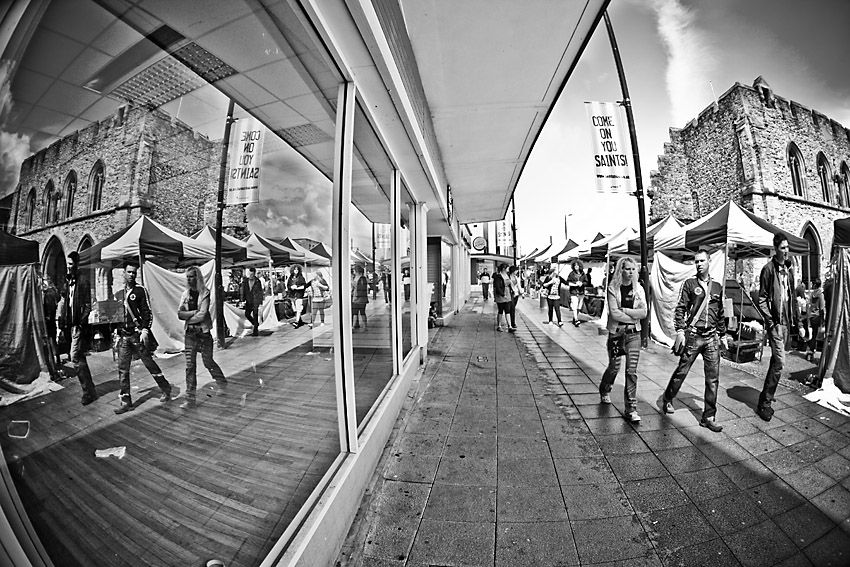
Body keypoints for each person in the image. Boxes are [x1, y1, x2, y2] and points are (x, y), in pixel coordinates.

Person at [661, 248, 727, 432]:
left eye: (702, 261)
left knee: (713, 378)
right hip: (694, 335)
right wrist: (680, 331)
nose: (698, 264)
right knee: (682, 371)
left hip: (711, 336)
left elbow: (720, 313)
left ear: (709, 262)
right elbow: (680, 308)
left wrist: (723, 334)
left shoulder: (717, 287)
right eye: (696, 261)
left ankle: (709, 417)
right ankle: (668, 397)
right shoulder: (689, 284)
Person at [114, 263, 172, 414]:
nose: (131, 275)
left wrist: (145, 329)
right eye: (129, 272)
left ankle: (165, 388)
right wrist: (116, 331)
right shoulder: (119, 294)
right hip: (124, 335)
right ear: (123, 273)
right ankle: (126, 401)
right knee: (123, 369)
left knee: (149, 363)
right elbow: (117, 314)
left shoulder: (140, 291)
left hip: (137, 334)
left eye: (134, 272)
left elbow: (147, 312)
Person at [756, 233, 799, 422]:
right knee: (780, 362)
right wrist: (770, 321)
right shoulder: (768, 269)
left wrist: (798, 322)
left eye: (787, 247)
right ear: (775, 249)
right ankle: (765, 403)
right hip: (775, 323)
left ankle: (765, 398)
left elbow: (792, 297)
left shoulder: (788, 270)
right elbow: (762, 299)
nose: (786, 251)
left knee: (775, 362)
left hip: (786, 323)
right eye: (783, 248)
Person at [599, 257, 647, 423]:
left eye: (633, 269)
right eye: (627, 269)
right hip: (617, 334)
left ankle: (631, 408)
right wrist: (634, 316)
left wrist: (626, 311)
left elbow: (644, 312)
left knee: (631, 371)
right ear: (621, 270)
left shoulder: (639, 288)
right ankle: (605, 388)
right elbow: (614, 314)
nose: (631, 272)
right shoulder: (613, 288)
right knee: (614, 367)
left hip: (634, 334)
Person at [177, 266, 227, 409]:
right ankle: (190, 399)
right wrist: (193, 313)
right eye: (187, 277)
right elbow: (179, 314)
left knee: (207, 361)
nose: (189, 279)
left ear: (197, 277)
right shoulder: (185, 294)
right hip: (190, 334)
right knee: (190, 366)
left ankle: (222, 382)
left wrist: (188, 317)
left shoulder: (205, 292)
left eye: (192, 276)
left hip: (203, 333)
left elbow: (202, 314)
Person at [59, 252, 98, 405]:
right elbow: (65, 302)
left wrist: (81, 323)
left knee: (75, 357)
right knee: (80, 358)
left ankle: (88, 392)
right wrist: (62, 320)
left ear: (76, 264)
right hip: (69, 325)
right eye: (67, 264)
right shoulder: (68, 281)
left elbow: (88, 305)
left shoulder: (83, 281)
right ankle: (90, 391)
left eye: (71, 264)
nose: (68, 267)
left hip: (78, 326)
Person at [42, 275, 61, 366]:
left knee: (50, 341)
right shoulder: (53, 292)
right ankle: (56, 359)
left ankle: (53, 361)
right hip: (51, 320)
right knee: (52, 340)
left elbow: (50, 307)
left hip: (49, 320)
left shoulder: (49, 293)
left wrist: (47, 316)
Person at [805, 278, 825, 362]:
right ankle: (811, 350)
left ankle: (811, 349)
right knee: (815, 335)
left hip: (812, 315)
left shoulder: (812, 293)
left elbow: (809, 304)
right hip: (817, 316)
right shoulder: (821, 295)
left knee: (813, 333)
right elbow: (822, 307)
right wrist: (823, 319)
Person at [241, 267, 264, 336]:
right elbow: (243, 291)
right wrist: (242, 300)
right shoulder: (245, 281)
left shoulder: (257, 281)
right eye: (249, 274)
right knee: (247, 314)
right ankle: (255, 323)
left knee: (255, 314)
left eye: (252, 274)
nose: (250, 275)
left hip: (255, 300)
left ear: (254, 274)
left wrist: (260, 301)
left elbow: (260, 291)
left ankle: (255, 331)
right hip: (248, 300)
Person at [493, 263, 513, 332]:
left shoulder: (507, 275)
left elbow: (510, 284)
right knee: (500, 310)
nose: (508, 269)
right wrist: (502, 294)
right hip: (501, 295)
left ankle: (510, 326)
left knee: (508, 310)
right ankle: (499, 325)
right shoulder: (498, 276)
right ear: (504, 269)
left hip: (507, 293)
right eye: (507, 268)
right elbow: (497, 286)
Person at [567, 260, 584, 326]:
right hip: (574, 292)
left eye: (577, 265)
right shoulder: (571, 274)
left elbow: (587, 282)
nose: (576, 266)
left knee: (579, 307)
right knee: (575, 306)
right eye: (575, 265)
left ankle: (575, 317)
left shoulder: (583, 273)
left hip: (581, 292)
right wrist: (575, 283)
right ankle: (576, 320)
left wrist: (582, 283)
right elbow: (568, 281)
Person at [352, 265, 369, 329]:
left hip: (359, 298)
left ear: (357, 271)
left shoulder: (362, 278)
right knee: (356, 312)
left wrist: (357, 295)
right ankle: (356, 325)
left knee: (360, 312)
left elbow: (361, 288)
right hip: (357, 297)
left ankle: (363, 326)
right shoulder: (356, 278)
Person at [508, 265, 523, 331]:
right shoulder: (508, 277)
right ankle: (512, 323)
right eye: (516, 270)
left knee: (513, 308)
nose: (517, 271)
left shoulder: (516, 278)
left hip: (516, 294)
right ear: (513, 271)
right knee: (512, 308)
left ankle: (512, 322)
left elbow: (519, 286)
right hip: (510, 294)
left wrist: (521, 293)